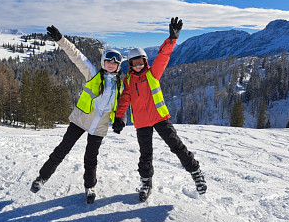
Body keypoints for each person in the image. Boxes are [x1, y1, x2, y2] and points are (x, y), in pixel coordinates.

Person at [112, 17, 207, 202]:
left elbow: (163, 56)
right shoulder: (129, 81)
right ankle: (146, 182)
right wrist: (118, 117)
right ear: (130, 65)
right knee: (145, 155)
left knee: (177, 146)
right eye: (134, 63)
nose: (138, 66)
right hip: (141, 123)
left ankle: (196, 172)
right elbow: (124, 100)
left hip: (160, 118)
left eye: (140, 62)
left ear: (145, 62)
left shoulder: (153, 73)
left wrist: (172, 39)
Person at [31, 25, 123, 204]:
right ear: (103, 62)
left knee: (91, 158)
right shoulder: (93, 74)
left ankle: (90, 187)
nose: (111, 65)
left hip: (99, 127)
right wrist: (60, 40)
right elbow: (76, 56)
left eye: (115, 63)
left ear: (118, 66)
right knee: (62, 149)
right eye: (108, 61)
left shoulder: (121, 85)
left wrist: (121, 120)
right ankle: (42, 178)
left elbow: (122, 106)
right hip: (81, 120)